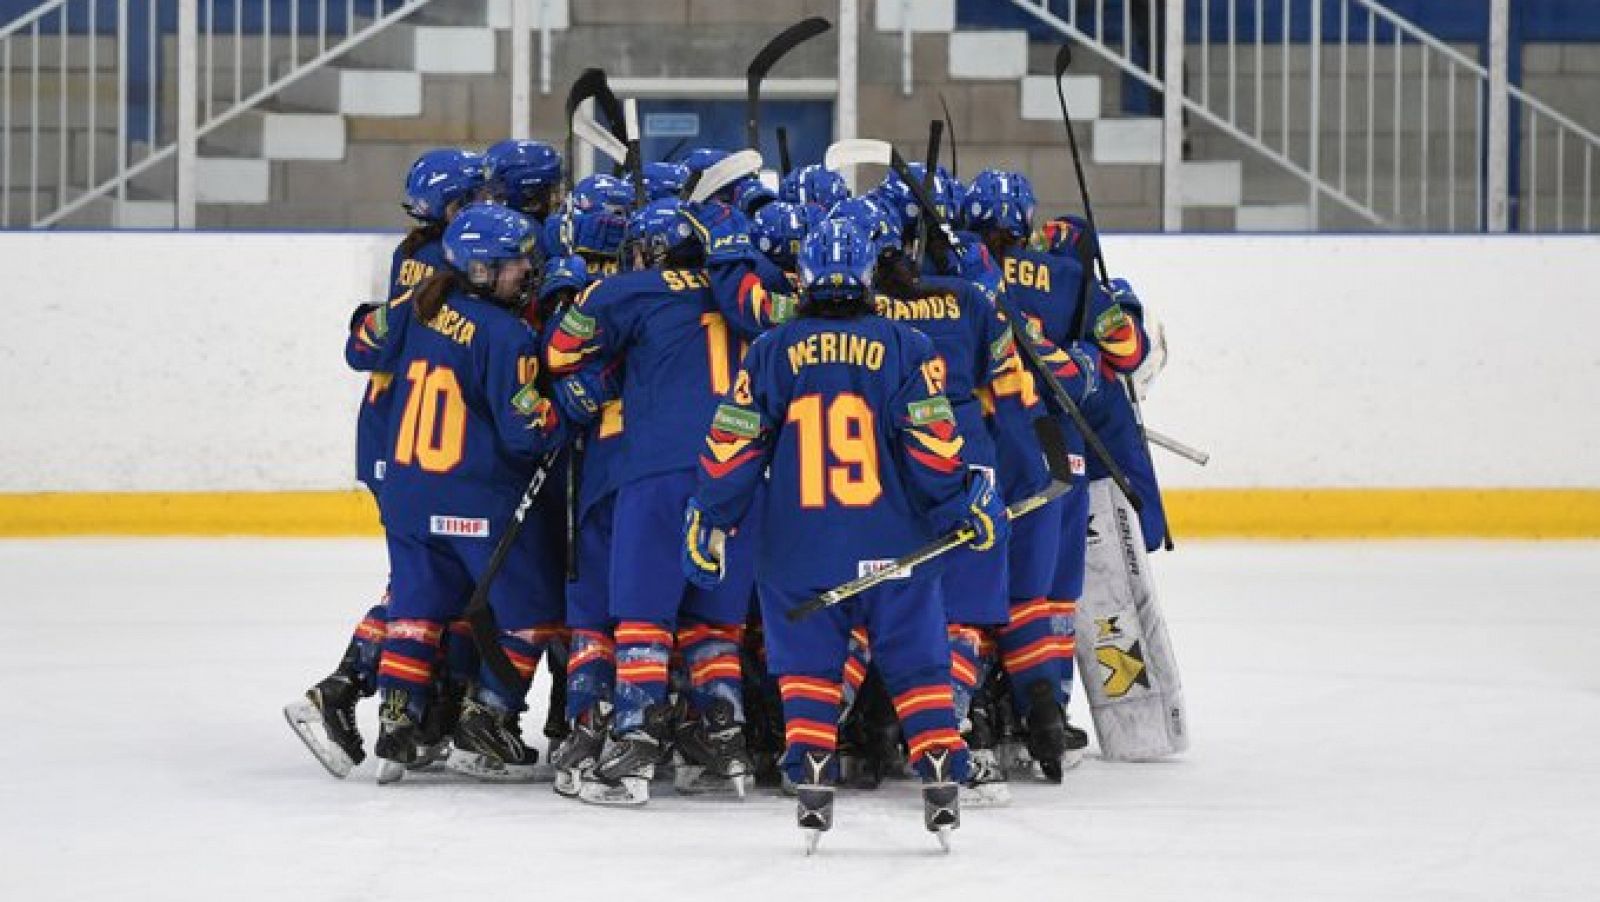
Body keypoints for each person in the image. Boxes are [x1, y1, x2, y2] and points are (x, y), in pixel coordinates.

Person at [682, 218, 1008, 851]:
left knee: (806, 666)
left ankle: (809, 767)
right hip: (896, 543)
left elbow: (732, 450)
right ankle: (939, 762)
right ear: (865, 274)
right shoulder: (908, 345)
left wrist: (712, 515)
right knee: (915, 659)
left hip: (799, 547)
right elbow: (934, 448)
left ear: (805, 277)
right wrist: (961, 501)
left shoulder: (770, 349)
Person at [344, 202, 605, 783]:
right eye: (515, 265)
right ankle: (485, 721)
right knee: (536, 609)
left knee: (416, 610)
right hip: (477, 501)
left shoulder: (419, 306)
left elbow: (360, 347)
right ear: (483, 270)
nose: (527, 273)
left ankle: (396, 726)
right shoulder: (506, 334)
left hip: (410, 497)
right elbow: (525, 435)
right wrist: (573, 404)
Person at [546, 198, 759, 806]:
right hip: (742, 473)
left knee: (642, 616)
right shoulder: (754, 287)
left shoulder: (628, 291)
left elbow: (561, 351)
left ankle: (632, 747)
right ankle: (724, 741)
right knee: (712, 623)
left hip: (657, 469)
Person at [284, 147, 484, 779]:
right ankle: (339, 691)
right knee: (422, 585)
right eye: (476, 197)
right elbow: (375, 346)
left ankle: (420, 715)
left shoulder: (422, 252)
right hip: (411, 443)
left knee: (439, 583)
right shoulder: (443, 262)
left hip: (402, 439)